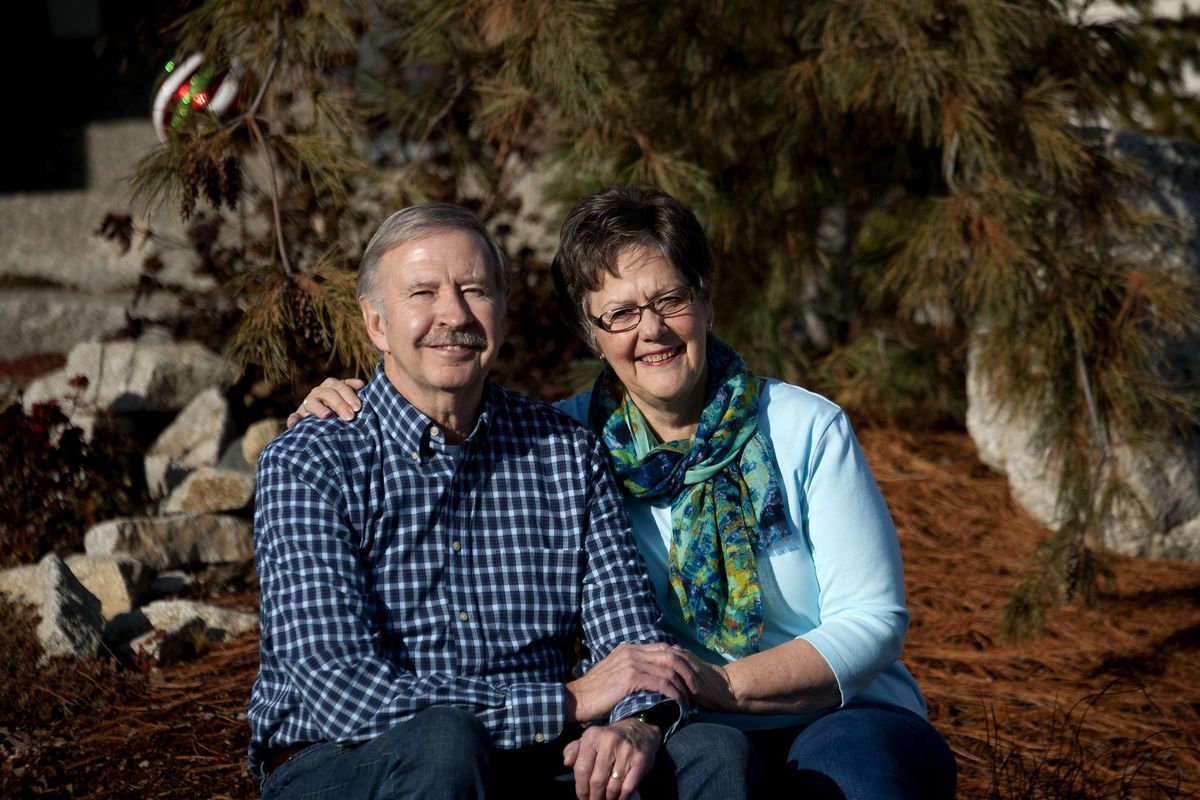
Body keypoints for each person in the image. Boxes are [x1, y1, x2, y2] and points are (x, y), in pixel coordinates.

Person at [293, 186, 958, 799]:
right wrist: (338, 406)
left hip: (834, 711)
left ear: (705, 300)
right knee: (710, 754)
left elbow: (874, 622)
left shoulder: (800, 426)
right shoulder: (570, 437)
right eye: (620, 313)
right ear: (590, 333)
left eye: (669, 299)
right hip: (670, 714)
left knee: (842, 778)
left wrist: (694, 692)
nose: (652, 329)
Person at [249, 202, 763, 800]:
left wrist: (634, 722)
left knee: (712, 752)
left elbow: (632, 647)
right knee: (445, 743)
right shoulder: (311, 461)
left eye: (474, 290)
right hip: (350, 762)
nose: (454, 314)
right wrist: (567, 700)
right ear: (376, 324)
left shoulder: (565, 453)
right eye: (423, 293)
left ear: (503, 314)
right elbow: (343, 695)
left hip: (538, 756)